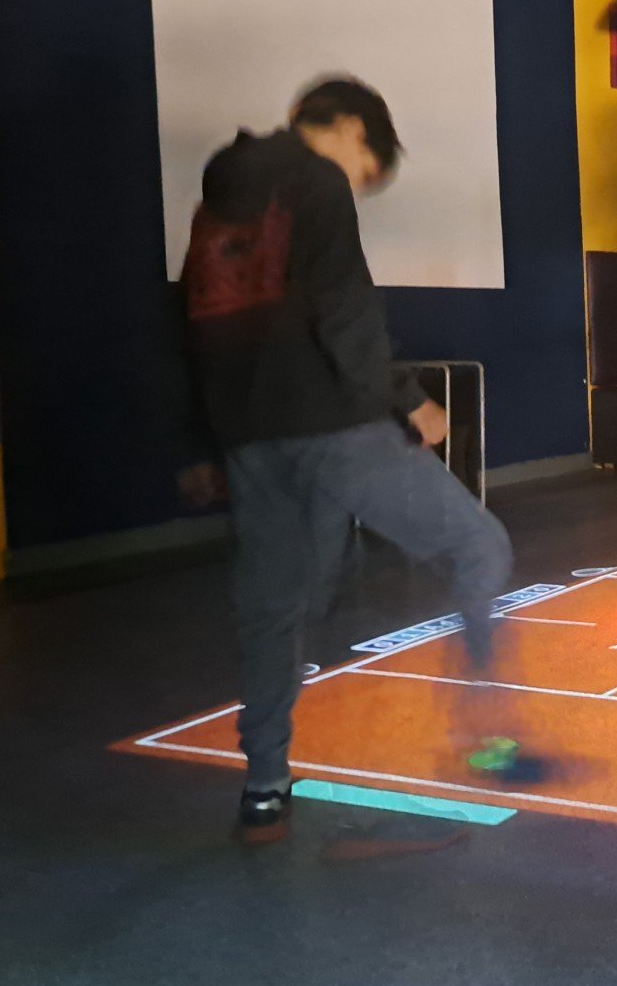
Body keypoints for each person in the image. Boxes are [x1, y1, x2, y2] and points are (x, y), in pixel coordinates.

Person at [176, 76, 515, 843]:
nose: (357, 189)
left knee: (275, 609)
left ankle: (265, 786)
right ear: (355, 131)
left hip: (250, 439)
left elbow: (186, 329)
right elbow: (345, 309)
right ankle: (476, 727)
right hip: (336, 425)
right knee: (479, 544)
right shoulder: (315, 181)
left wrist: (196, 444)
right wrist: (410, 400)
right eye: (366, 175)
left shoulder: (212, 207)